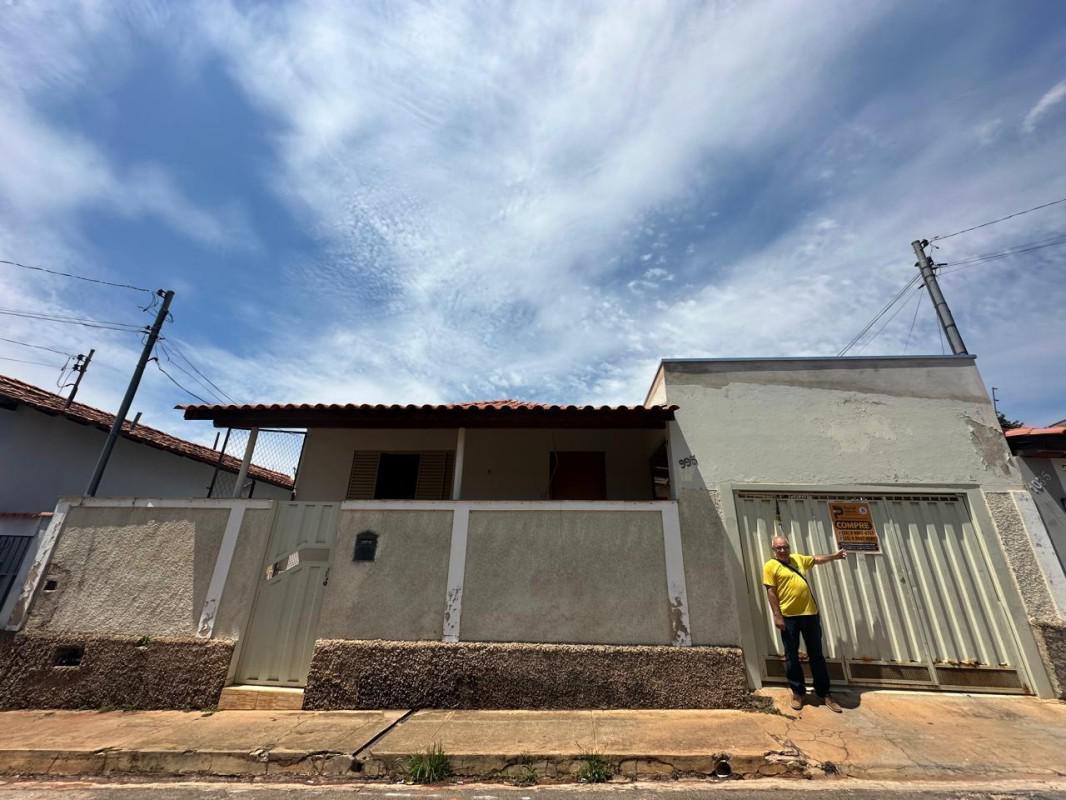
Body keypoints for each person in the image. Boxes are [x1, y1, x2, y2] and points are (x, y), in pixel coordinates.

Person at [762, 535, 846, 712]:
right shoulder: (771, 566)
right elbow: (771, 592)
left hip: (810, 615)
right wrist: (777, 615)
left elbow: (816, 559)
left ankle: (824, 693)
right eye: (779, 548)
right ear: (774, 550)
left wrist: (835, 556)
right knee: (791, 656)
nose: (782, 550)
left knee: (817, 655)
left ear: (789, 547)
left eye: (785, 547)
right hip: (789, 617)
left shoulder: (798, 559)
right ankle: (798, 692)